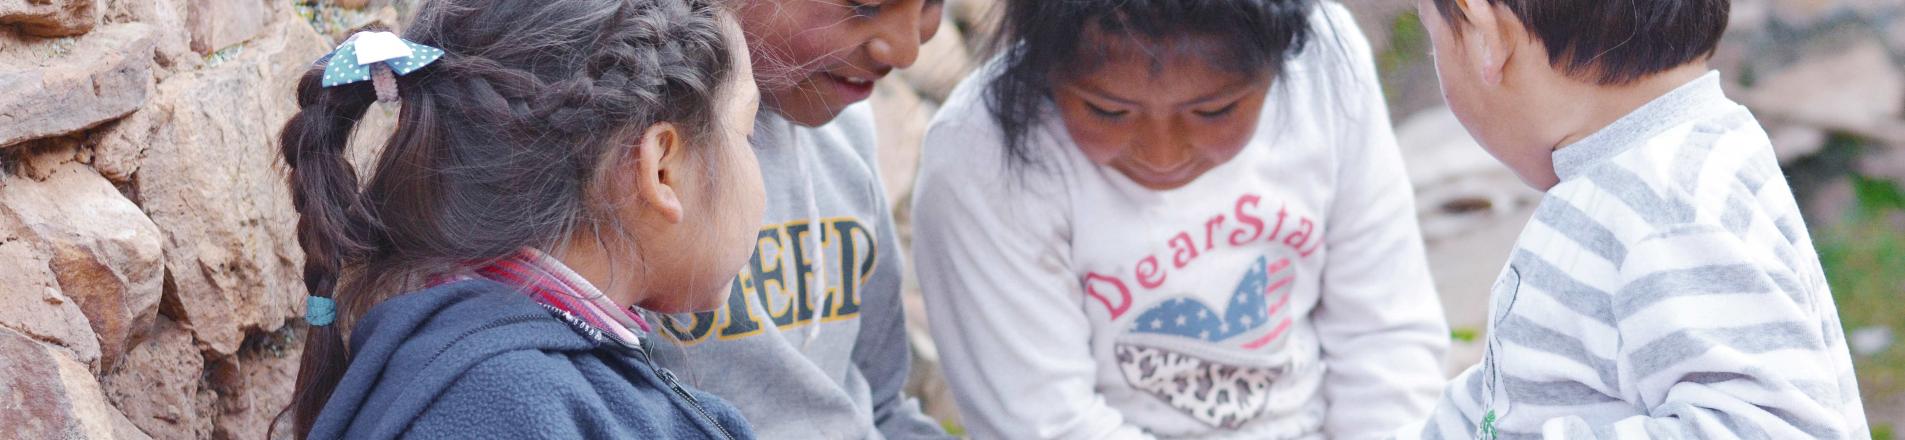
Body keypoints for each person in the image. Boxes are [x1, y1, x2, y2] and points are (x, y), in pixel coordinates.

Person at [911, 1, 1451, 438]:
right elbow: (1045, 420)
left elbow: (1385, 336)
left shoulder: (1324, 66)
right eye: (1108, 111)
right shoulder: (980, 159)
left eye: (1214, 111)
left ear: (1279, 65)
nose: (1162, 154)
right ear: (1046, 67)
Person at [276, 0, 767, 438]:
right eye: (747, 131)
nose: (754, 159)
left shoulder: (514, 379)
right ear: (661, 167)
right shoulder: (495, 407)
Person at [1404, 0, 1870, 437]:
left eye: (1435, 41)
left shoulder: (1668, 204)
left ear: (1486, 32)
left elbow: (1766, 428)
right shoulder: (1645, 175)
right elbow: (1515, 393)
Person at [638, 0, 954, 438]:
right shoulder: (612, 159)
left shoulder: (848, 138)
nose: (905, 51)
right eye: (867, 5)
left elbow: (881, 404)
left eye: (932, 3)